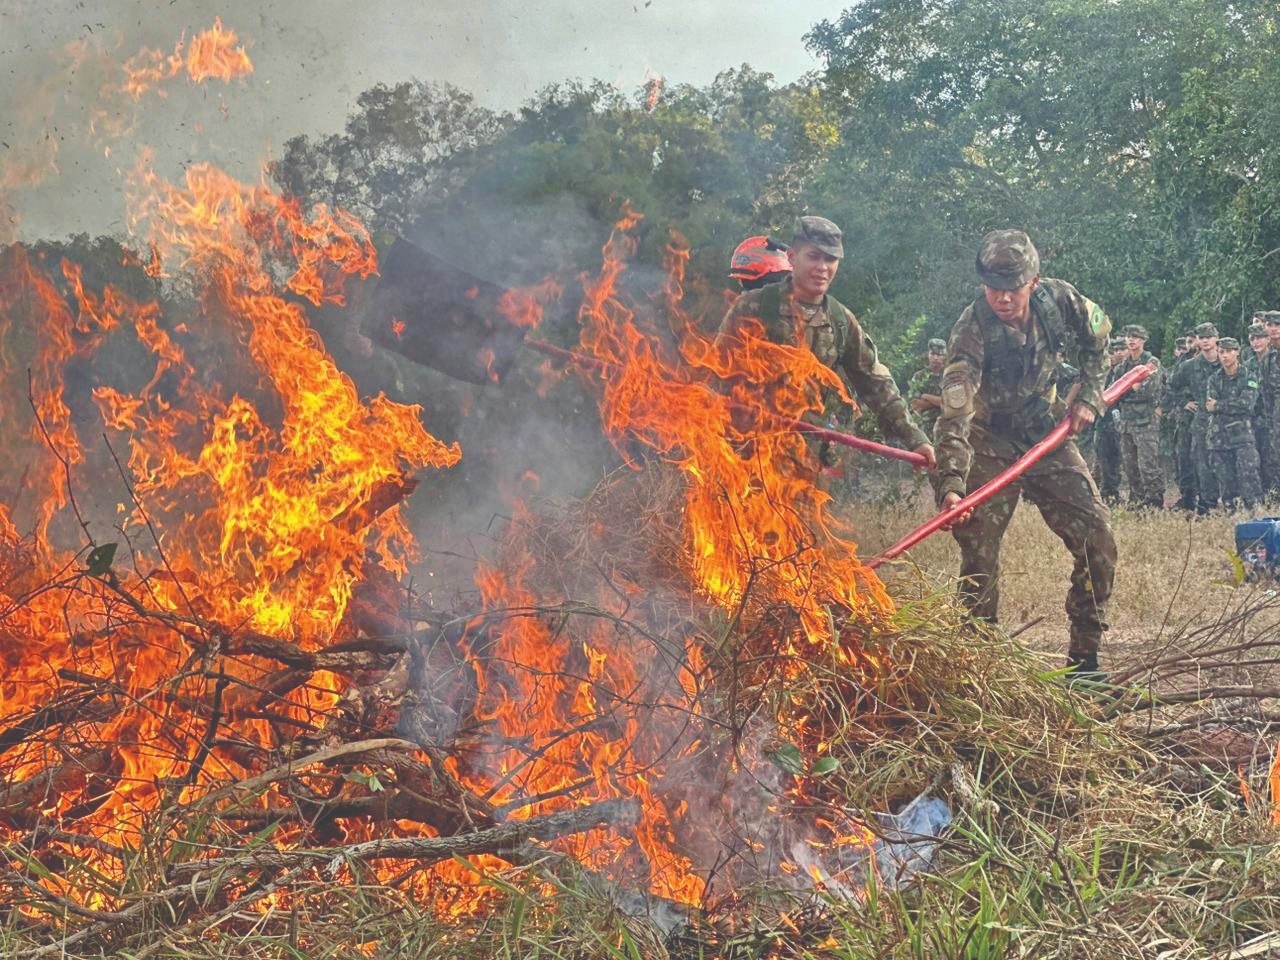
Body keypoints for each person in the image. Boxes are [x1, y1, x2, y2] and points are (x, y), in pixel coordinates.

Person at [934, 229, 1115, 679]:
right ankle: (978, 670)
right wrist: (951, 483)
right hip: (987, 443)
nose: (1003, 298)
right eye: (994, 288)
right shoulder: (970, 330)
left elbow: (1100, 341)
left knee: (1099, 540)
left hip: (1045, 435)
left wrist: (1090, 396)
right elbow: (954, 413)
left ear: (1033, 282)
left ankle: (1084, 665)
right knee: (979, 555)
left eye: (1012, 289)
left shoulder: (1060, 301)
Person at [718, 216, 936, 483]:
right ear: (792, 256)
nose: (822, 267)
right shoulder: (753, 307)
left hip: (802, 466)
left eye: (830, 260)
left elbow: (876, 385)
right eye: (813, 257)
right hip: (743, 458)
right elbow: (715, 375)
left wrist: (915, 439)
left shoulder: (840, 320)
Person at [1167, 322, 1222, 513]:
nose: (1205, 341)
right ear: (1197, 341)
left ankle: (1233, 503)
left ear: (1216, 339)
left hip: (1227, 421)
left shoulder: (1227, 360)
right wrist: (1184, 402)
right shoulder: (1190, 366)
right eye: (1201, 337)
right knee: (1201, 464)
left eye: (1209, 337)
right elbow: (1171, 385)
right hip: (1200, 423)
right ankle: (1207, 505)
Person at [1206, 337, 1263, 510]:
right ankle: (1231, 514)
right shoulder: (1214, 379)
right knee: (1225, 481)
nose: (1225, 356)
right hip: (1219, 438)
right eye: (1221, 352)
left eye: (1229, 351)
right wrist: (1228, 405)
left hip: (1242, 437)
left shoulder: (1249, 376)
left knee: (1249, 476)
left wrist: (1220, 405)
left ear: (1237, 352)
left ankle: (1255, 513)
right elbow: (1209, 406)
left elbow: (1246, 405)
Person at [1112, 324, 1164, 509]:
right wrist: (1131, 389)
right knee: (1130, 466)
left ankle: (1154, 502)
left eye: (1135, 336)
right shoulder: (1122, 367)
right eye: (1128, 336)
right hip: (1126, 424)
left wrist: (1130, 391)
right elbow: (1114, 393)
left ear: (1143, 340)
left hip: (1146, 423)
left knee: (1148, 465)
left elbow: (1149, 391)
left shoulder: (1151, 362)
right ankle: (1137, 500)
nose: (1131, 339)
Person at [1091, 337, 1127, 504]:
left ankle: (1113, 493)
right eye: (1113, 351)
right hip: (1103, 421)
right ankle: (1107, 494)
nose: (1117, 354)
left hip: (1122, 421)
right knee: (1104, 460)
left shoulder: (1127, 371)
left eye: (1121, 350)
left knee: (1121, 460)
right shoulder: (1101, 371)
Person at [1246, 320, 1271, 490]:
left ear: (1268, 339)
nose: (1256, 342)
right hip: (1255, 419)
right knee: (1257, 460)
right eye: (1253, 338)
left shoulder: (1275, 360)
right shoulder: (1248, 366)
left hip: (1274, 418)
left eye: (1260, 338)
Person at [907, 338, 948, 438]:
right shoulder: (919, 377)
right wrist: (938, 402)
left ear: (944, 356)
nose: (935, 358)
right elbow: (915, 404)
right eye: (933, 354)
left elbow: (950, 403)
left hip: (945, 428)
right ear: (928, 354)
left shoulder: (949, 376)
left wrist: (926, 396)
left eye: (939, 355)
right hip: (923, 429)